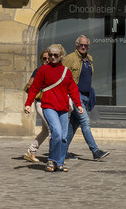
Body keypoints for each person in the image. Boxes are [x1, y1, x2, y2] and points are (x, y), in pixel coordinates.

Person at [23, 43, 81, 172]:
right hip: (49, 106)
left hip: (63, 108)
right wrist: (28, 103)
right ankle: (51, 160)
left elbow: (73, 89)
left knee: (63, 136)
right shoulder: (43, 70)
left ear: (61, 56)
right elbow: (34, 88)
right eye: (50, 55)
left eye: (55, 55)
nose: (52, 57)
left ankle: (60, 162)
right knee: (56, 132)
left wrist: (78, 104)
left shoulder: (66, 71)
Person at [68, 36, 113, 161]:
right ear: (77, 45)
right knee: (85, 122)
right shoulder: (70, 58)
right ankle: (95, 151)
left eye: (86, 45)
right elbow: (62, 75)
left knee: (73, 125)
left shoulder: (89, 59)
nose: (83, 47)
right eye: (81, 45)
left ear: (88, 46)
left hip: (86, 97)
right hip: (75, 96)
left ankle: (62, 150)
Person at [23, 49, 54, 162]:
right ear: (41, 60)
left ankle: (31, 151)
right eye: (44, 59)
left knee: (46, 130)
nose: (46, 60)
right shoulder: (39, 71)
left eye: (48, 58)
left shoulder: (51, 70)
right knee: (52, 129)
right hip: (40, 103)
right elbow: (30, 86)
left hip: (49, 103)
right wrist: (30, 102)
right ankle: (54, 157)